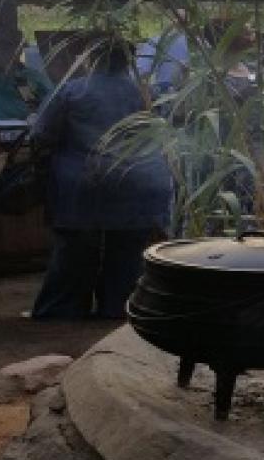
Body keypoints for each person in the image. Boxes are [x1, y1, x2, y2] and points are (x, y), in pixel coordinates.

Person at [28, 36, 173, 319]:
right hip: (138, 184)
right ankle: (118, 310)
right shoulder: (148, 94)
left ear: (90, 59)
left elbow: (41, 134)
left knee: (75, 253)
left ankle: (62, 312)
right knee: (128, 254)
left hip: (81, 184)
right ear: (129, 61)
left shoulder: (71, 91)